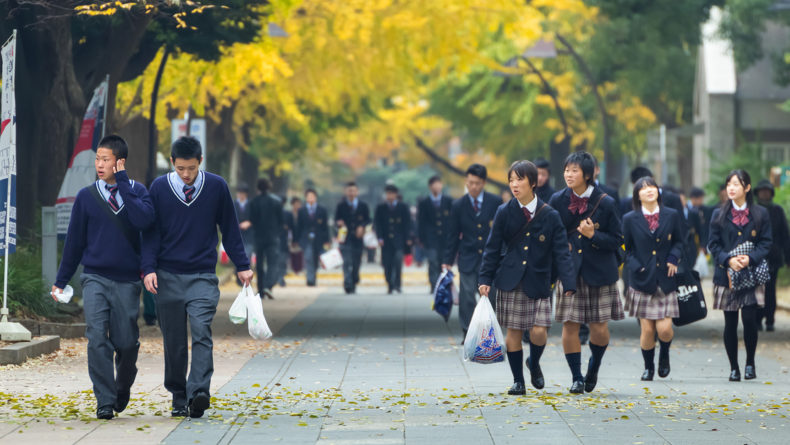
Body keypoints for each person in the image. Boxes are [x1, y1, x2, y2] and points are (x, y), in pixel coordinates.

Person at [142, 136, 252, 418]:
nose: (186, 174)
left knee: (202, 331)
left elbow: (230, 229)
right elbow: (151, 233)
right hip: (167, 276)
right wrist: (149, 268)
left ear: (200, 162)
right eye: (180, 169)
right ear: (172, 163)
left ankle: (199, 390)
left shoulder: (216, 187)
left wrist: (242, 265)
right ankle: (179, 394)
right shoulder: (159, 188)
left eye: (191, 168)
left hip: (203, 275)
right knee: (175, 342)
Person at [53, 135, 155, 420]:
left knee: (125, 342)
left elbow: (143, 222)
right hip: (94, 277)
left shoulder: (138, 192)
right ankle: (105, 400)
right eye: (97, 159)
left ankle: (122, 387)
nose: (99, 164)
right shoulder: (86, 197)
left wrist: (123, 182)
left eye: (105, 159)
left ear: (119, 162)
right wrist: (61, 281)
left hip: (127, 281)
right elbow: (74, 243)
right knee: (97, 336)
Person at [478, 161, 576, 395]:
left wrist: (569, 282)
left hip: (539, 278)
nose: (514, 184)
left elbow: (561, 251)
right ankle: (518, 380)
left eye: (519, 179)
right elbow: (492, 248)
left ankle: (534, 361)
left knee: (539, 330)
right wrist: (485, 278)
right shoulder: (504, 211)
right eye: (511, 180)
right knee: (513, 331)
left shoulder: (550, 214)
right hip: (510, 279)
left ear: (533, 182)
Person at [549, 151, 624, 394]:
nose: (568, 175)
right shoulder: (557, 200)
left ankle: (594, 366)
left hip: (599, 271)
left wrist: (594, 236)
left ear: (588, 175)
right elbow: (550, 234)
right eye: (566, 170)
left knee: (599, 328)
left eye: (574, 171)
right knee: (570, 325)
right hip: (569, 270)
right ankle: (576, 377)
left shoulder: (607, 202)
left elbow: (617, 240)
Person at [707, 170, 771, 381]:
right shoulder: (718, 214)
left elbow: (766, 243)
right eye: (729, 184)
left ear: (747, 188)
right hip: (726, 275)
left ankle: (750, 363)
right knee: (730, 322)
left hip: (751, 274)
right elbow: (713, 244)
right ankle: (734, 367)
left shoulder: (760, 213)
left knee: (750, 319)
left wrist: (750, 259)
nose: (731, 188)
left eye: (736, 184)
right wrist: (728, 260)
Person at [622, 177, 685, 381]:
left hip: (665, 279)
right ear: (637, 195)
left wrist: (674, 258)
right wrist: (635, 266)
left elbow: (679, 241)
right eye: (643, 188)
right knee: (647, 329)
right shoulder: (630, 219)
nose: (649, 190)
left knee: (665, 329)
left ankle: (664, 354)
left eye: (652, 187)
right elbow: (626, 248)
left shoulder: (672, 215)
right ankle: (648, 367)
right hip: (641, 279)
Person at [443, 164, 504, 341]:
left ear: (483, 182)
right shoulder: (458, 205)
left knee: (490, 297)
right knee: (467, 296)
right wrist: (447, 259)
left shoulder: (495, 202)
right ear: (466, 182)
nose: (474, 187)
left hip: (490, 259)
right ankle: (468, 332)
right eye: (470, 183)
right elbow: (453, 235)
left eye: (477, 183)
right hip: (468, 257)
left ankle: (489, 333)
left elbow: (502, 233)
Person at [754, 179, 790, 332]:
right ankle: (757, 319)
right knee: (755, 289)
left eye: (767, 191)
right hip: (755, 256)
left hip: (773, 256)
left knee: (770, 289)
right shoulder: (751, 210)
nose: (764, 193)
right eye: (762, 191)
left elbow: (785, 235)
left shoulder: (777, 210)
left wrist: (788, 258)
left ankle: (770, 319)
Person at [417, 175, 453, 292]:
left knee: (444, 262)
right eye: (434, 184)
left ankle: (444, 285)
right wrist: (421, 239)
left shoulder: (449, 201)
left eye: (439, 184)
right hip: (430, 239)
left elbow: (453, 220)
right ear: (430, 186)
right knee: (432, 262)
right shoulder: (424, 203)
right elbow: (421, 222)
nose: (437, 186)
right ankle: (434, 286)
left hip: (445, 238)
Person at [249, 178, 283, 299]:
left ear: (258, 188)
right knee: (272, 262)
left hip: (259, 236)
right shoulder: (276, 202)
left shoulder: (254, 202)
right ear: (269, 187)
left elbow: (251, 219)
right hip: (272, 237)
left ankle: (260, 289)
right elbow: (281, 221)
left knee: (259, 264)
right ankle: (269, 286)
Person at [374, 184, 412, 293]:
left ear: (396, 195)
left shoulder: (403, 207)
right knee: (387, 263)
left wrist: (408, 238)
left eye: (391, 193)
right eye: (387, 194)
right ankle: (389, 284)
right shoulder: (380, 208)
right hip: (386, 241)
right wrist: (379, 237)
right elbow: (377, 224)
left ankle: (398, 284)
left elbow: (407, 223)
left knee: (398, 262)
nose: (389, 196)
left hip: (399, 240)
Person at [335, 182, 371, 294]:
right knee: (346, 261)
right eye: (349, 190)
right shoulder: (340, 206)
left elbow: (369, 221)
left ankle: (354, 278)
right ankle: (347, 283)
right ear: (346, 192)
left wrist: (363, 227)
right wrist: (339, 223)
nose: (351, 193)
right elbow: (336, 220)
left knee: (356, 261)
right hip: (345, 238)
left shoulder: (363, 206)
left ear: (357, 192)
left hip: (358, 239)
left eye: (353, 190)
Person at [295, 189, 330, 286]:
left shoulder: (322, 210)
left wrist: (327, 240)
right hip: (305, 239)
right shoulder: (302, 210)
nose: (310, 198)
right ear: (306, 198)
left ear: (315, 198)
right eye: (308, 197)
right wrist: (296, 240)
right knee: (308, 257)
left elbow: (325, 227)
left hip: (318, 238)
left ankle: (313, 277)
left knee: (315, 259)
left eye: (312, 196)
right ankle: (310, 279)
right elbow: (299, 226)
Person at [234, 183, 254, 260]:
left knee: (247, 256)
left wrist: (250, 222)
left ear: (246, 194)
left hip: (248, 236)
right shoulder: (233, 204)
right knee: (237, 257)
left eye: (242, 193)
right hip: (236, 235)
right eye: (239, 193)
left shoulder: (252, 205)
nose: (240, 195)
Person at [289, 197, 304, 274]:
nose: (298, 206)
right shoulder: (290, 214)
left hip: (301, 237)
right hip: (291, 236)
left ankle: (300, 269)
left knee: (300, 254)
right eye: (296, 204)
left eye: (299, 204)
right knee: (293, 254)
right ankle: (294, 270)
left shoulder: (303, 213)